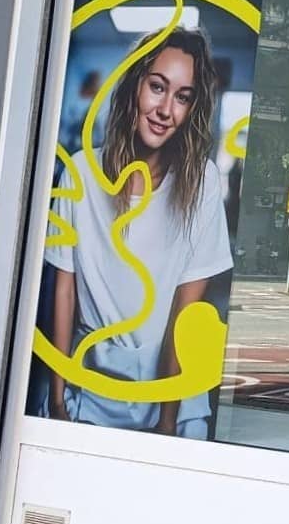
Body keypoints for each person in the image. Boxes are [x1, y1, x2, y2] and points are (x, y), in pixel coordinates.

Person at [46, 27, 233, 438]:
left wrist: (166, 422)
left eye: (182, 97)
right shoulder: (80, 172)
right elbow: (64, 293)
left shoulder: (201, 184)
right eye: (157, 87)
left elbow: (186, 315)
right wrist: (57, 401)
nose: (165, 109)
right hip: (89, 391)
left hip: (172, 398)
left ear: (192, 109)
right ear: (134, 85)